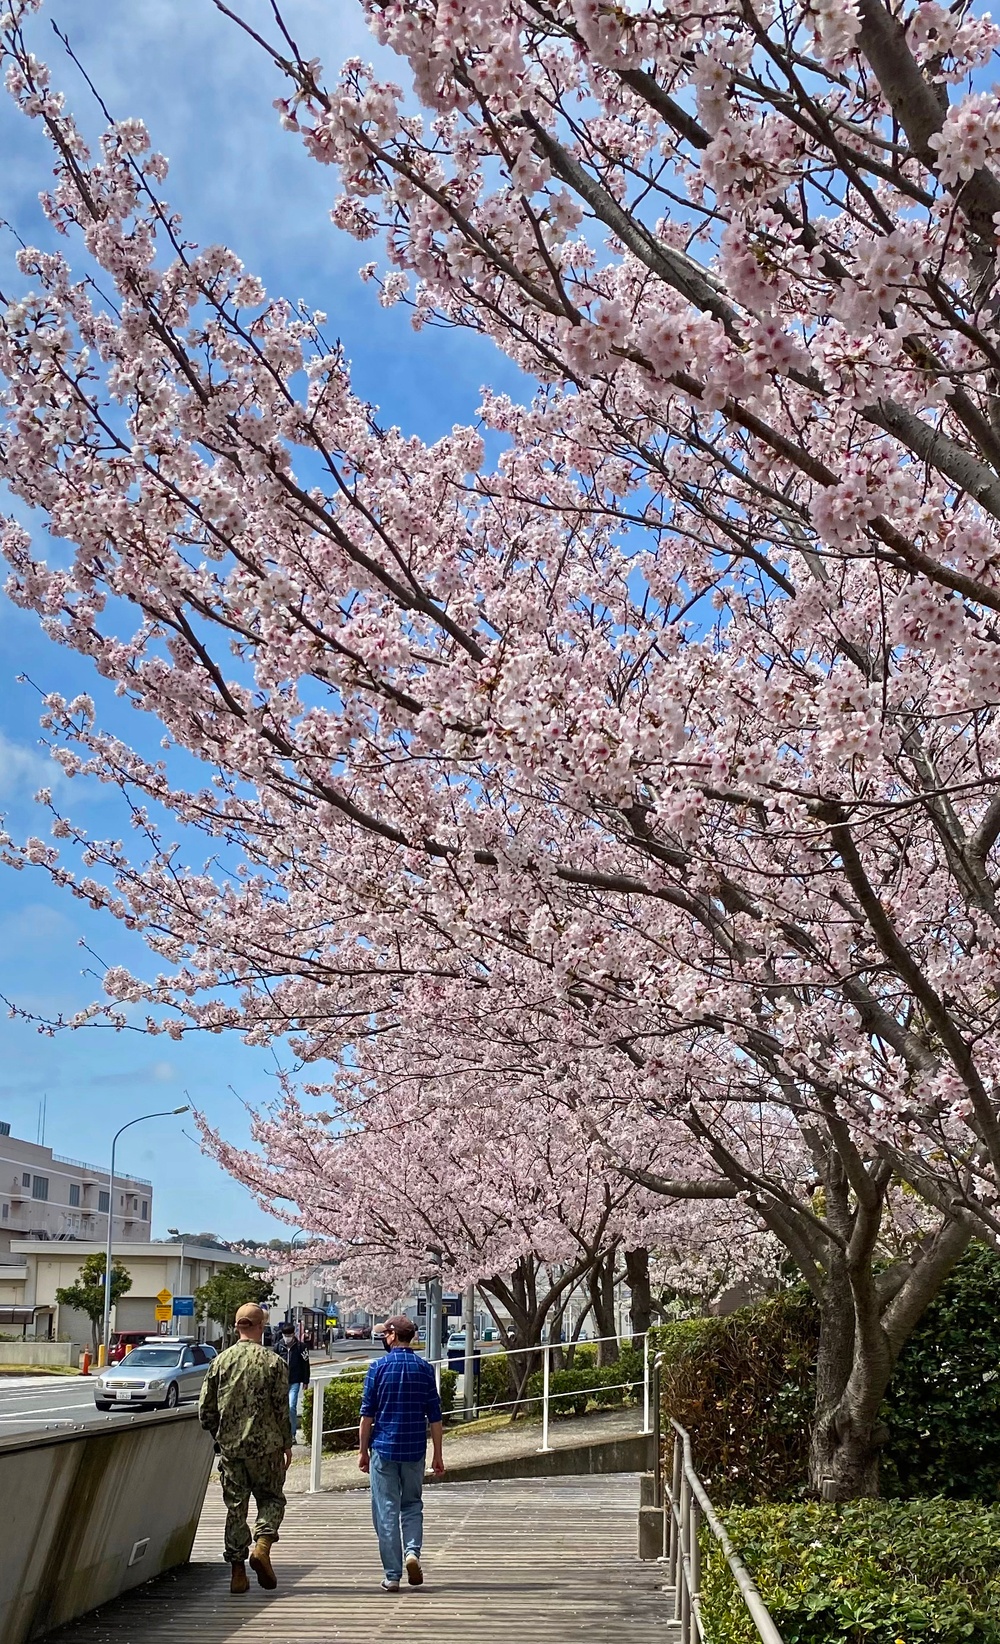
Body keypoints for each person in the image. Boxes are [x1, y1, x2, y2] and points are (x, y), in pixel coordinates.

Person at [198, 1302, 293, 1596]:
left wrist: (221, 1435)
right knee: (272, 1498)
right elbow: (282, 1409)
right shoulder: (274, 1362)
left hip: (232, 1450)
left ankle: (237, 1572)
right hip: (267, 1449)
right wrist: (287, 1443)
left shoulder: (220, 1362)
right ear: (260, 1326)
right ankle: (262, 1546)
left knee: (235, 1508)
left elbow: (205, 1410)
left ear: (237, 1326)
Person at [358, 1314, 445, 1592]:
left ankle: (393, 1575)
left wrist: (362, 1451)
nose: (384, 1338)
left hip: (383, 1448)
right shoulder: (424, 1369)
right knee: (412, 1504)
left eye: (385, 1334)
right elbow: (435, 1417)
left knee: (385, 1510)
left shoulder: (378, 1368)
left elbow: (367, 1416)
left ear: (394, 1336)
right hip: (415, 1449)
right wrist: (438, 1454)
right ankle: (412, 1553)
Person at [274, 1321, 310, 1441]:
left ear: (293, 1334)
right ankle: (280, 1433)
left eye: (289, 1335)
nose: (287, 1338)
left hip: (294, 1381)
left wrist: (306, 1380)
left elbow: (305, 1364)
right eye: (285, 1335)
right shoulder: (278, 1347)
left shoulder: (301, 1347)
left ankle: (292, 1434)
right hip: (280, 1382)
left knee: (291, 1406)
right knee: (279, 1407)